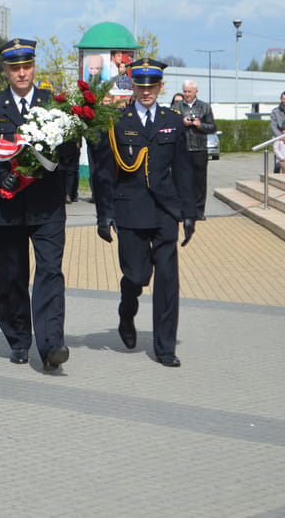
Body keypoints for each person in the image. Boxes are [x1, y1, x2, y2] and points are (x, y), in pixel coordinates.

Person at [0, 38, 70, 371]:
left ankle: (52, 344)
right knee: (11, 276)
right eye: (15, 68)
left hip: (47, 206)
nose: (22, 73)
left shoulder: (54, 104)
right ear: (6, 71)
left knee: (50, 273)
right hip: (7, 206)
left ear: (33, 68)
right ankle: (18, 339)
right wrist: (0, 179)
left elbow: (69, 153)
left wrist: (59, 156)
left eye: (26, 67)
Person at [92, 58, 196, 367]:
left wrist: (189, 212)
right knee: (137, 275)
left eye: (152, 86)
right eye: (141, 86)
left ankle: (165, 347)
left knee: (167, 279)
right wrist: (104, 213)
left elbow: (183, 170)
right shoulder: (117, 121)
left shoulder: (173, 120)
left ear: (161, 87)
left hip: (165, 210)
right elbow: (104, 172)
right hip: (130, 209)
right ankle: (127, 309)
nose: (146, 91)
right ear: (132, 86)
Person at [171, 80, 217, 220]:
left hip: (199, 149)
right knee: (180, 181)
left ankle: (198, 211)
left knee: (199, 182)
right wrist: (182, 123)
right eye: (185, 91)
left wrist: (200, 125)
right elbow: (169, 126)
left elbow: (212, 127)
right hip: (181, 149)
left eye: (189, 92)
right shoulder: (176, 107)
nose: (187, 94)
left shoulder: (205, 107)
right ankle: (181, 211)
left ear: (196, 92)